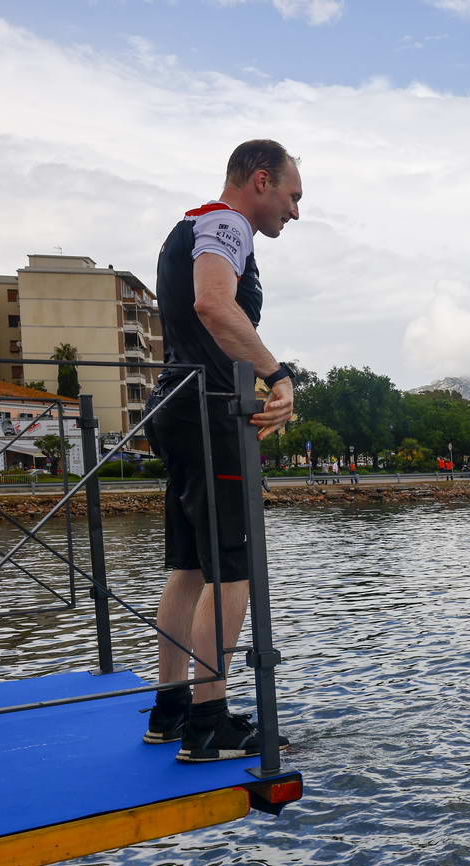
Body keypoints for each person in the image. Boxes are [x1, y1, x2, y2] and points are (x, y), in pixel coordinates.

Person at [146, 140, 301, 762]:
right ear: (260, 181)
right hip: (209, 414)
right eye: (292, 196)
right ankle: (210, 720)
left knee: (187, 566)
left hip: (177, 405)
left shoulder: (192, 226)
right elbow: (212, 303)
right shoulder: (226, 223)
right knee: (231, 568)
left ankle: (170, 708)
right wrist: (277, 374)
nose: (294, 211)